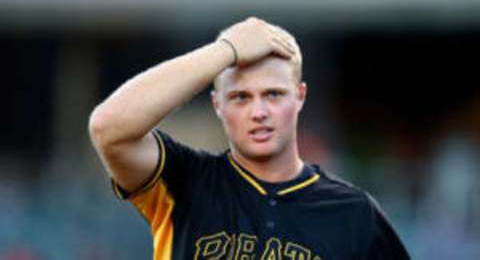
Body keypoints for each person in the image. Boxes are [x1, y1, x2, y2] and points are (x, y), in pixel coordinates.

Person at [89, 17, 410, 260]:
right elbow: (108, 128)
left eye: (273, 94)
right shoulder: (184, 181)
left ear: (300, 97)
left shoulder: (354, 214)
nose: (259, 112)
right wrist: (225, 51)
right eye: (241, 97)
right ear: (217, 104)